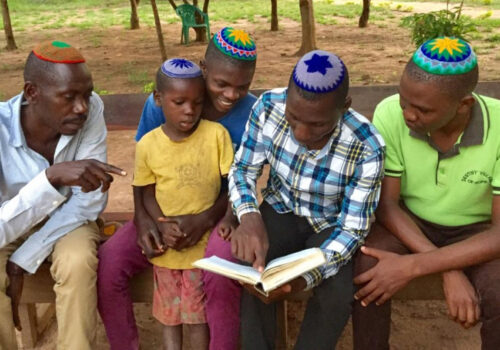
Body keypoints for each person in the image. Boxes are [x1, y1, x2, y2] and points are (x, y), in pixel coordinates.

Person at [97, 27, 257, 350]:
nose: (231, 95)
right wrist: (145, 222)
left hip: (221, 215)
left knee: (222, 269)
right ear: (204, 67)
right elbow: (144, 174)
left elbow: (240, 182)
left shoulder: (251, 113)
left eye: (242, 86)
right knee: (110, 263)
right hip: (160, 215)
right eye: (221, 84)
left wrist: (205, 219)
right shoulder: (162, 102)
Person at [228, 50, 385, 349]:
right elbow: (242, 170)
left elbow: (352, 229)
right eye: (293, 118)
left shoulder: (366, 145)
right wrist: (249, 216)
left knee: (337, 292)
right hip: (280, 208)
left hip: (331, 224)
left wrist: (302, 280)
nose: (301, 133)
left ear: (345, 108)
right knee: (250, 268)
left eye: (317, 125)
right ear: (287, 97)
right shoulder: (268, 107)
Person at [352, 37, 500, 350]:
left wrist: (416, 266)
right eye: (404, 100)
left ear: (464, 105)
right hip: (410, 222)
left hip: (478, 231)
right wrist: (446, 266)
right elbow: (388, 206)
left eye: (422, 110)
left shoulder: (498, 126)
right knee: (368, 268)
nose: (408, 114)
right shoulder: (390, 112)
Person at [0, 40, 125, 350]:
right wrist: (51, 177)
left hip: (70, 219)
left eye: (86, 94)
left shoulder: (91, 110)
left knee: (77, 260)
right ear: (32, 93)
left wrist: (22, 259)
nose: (82, 107)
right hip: (8, 223)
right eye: (69, 97)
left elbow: (88, 202)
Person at [133, 58, 234, 350]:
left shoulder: (216, 136)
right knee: (169, 316)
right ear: (158, 98)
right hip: (166, 247)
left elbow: (231, 186)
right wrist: (163, 225)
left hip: (201, 245)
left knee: (196, 317)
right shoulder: (148, 145)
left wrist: (219, 218)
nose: (189, 110)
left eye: (197, 102)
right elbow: (146, 192)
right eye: (179, 102)